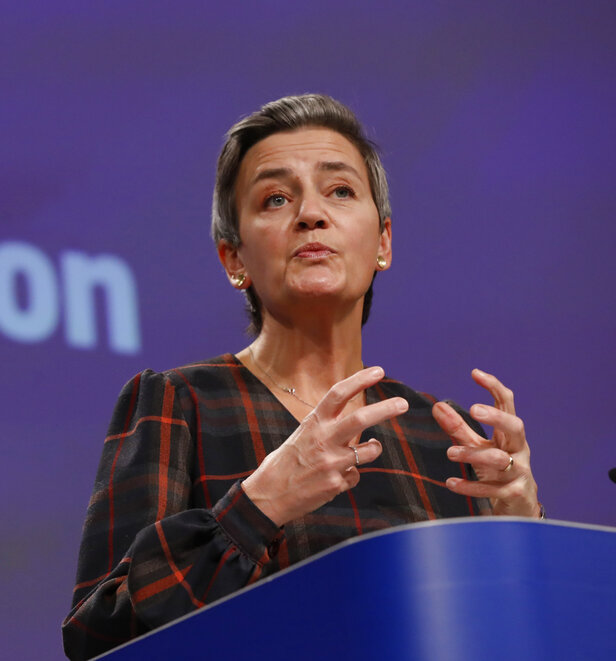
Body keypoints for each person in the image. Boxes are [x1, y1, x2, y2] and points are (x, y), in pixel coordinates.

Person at [61, 94, 542, 660]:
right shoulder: (181, 402)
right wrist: (258, 506)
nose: (311, 214)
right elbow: (100, 634)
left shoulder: (450, 437)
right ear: (232, 259)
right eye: (276, 198)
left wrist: (525, 534)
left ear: (383, 241)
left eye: (340, 191)